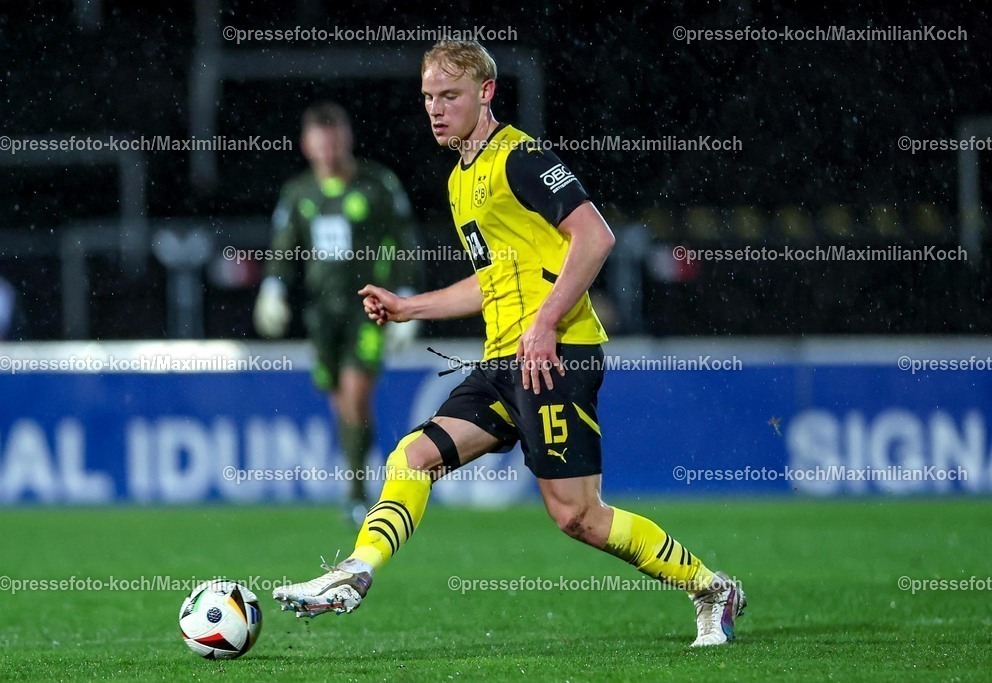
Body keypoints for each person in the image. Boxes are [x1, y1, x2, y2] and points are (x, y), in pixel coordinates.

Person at [273, 42, 745, 647]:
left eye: (450, 96)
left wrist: (546, 321)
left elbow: (595, 236)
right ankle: (355, 573)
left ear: (486, 93)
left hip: (556, 357)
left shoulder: (520, 157)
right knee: (412, 458)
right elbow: (495, 277)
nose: (436, 110)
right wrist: (410, 305)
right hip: (504, 361)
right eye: (427, 98)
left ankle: (711, 587)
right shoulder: (461, 177)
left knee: (576, 516)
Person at [253, 102, 418, 523]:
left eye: (334, 140)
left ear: (346, 138)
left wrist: (406, 295)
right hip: (321, 313)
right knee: (341, 402)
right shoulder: (299, 194)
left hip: (369, 307)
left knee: (356, 394)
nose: (327, 150)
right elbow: (284, 246)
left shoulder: (377, 185)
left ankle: (357, 493)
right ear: (307, 145)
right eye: (319, 142)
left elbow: (403, 241)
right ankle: (358, 481)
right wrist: (272, 290)